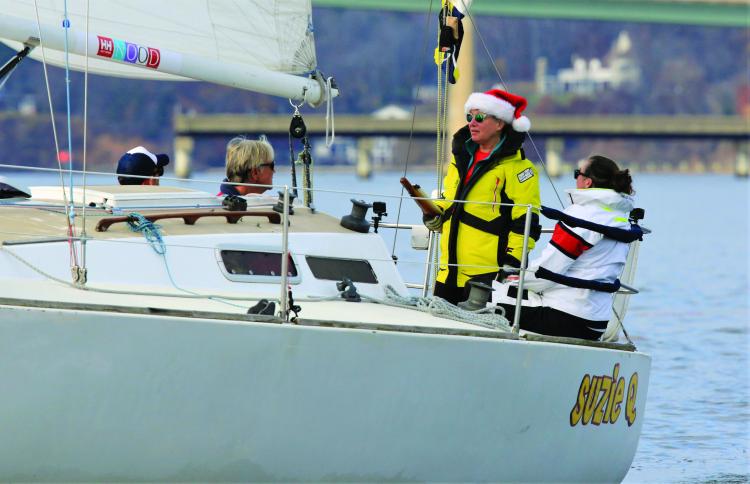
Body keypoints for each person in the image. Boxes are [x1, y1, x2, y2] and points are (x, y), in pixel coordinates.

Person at [491, 155, 639, 341]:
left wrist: (513, 280)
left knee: (484, 298)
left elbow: (546, 272)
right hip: (596, 322)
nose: (575, 177)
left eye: (577, 173)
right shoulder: (620, 218)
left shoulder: (581, 214)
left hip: (565, 316)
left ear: (587, 182)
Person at [425, 88, 542, 305]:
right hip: (447, 271)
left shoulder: (520, 169)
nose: (472, 122)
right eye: (469, 116)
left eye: (479, 116)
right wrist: (433, 213)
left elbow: (525, 221)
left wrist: (512, 263)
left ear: (500, 123)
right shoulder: (459, 158)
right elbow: (450, 200)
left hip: (487, 278)